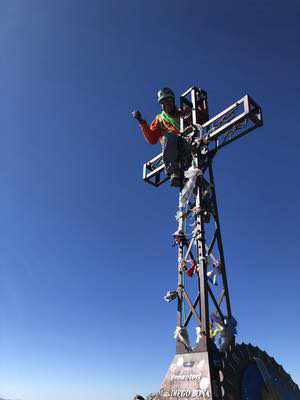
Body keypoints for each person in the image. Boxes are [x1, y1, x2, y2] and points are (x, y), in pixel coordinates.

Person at [132, 87, 190, 187]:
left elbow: (200, 121)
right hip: (173, 146)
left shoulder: (184, 112)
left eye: (168, 101)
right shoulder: (160, 119)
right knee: (168, 136)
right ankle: (174, 171)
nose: (165, 104)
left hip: (187, 143)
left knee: (194, 175)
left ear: (172, 101)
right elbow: (152, 138)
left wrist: (201, 104)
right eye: (163, 102)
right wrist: (141, 121)